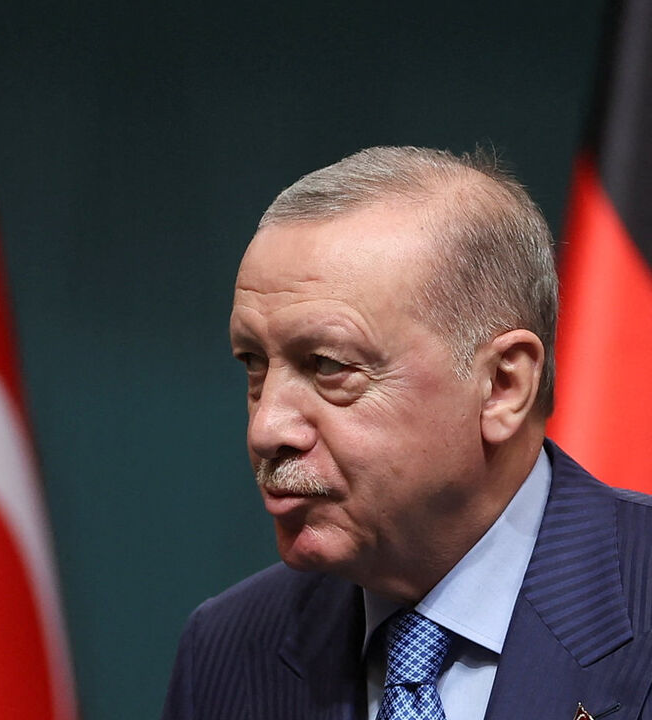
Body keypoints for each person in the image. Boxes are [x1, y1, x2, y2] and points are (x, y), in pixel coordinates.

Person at [161, 146, 652, 720]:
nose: (267, 429)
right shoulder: (226, 649)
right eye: (253, 364)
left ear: (502, 385)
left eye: (328, 365)